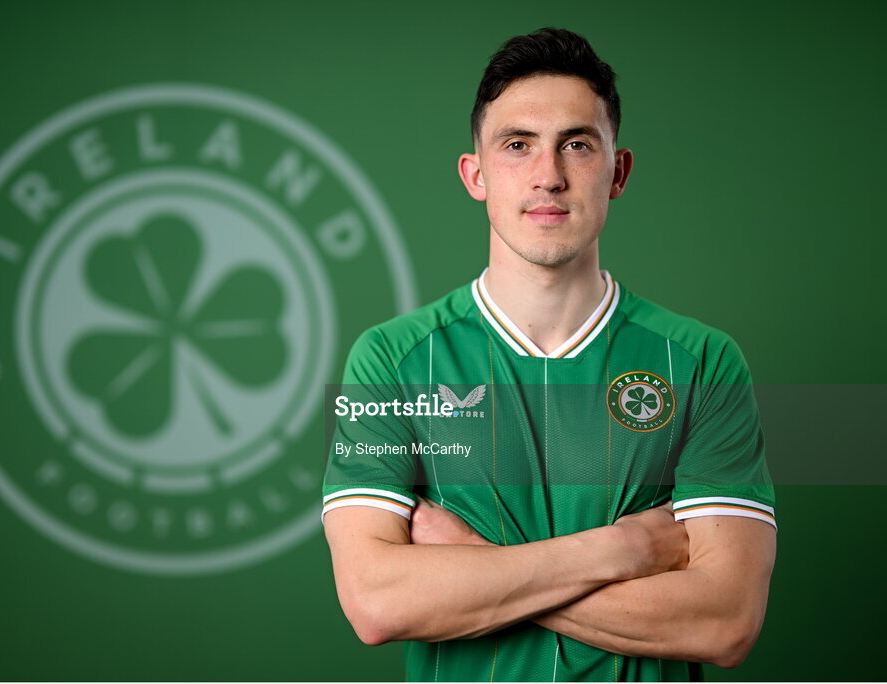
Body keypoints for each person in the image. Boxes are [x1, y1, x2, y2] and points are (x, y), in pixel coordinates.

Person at [321, 27, 776, 681]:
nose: (549, 176)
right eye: (518, 145)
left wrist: (476, 560)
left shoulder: (702, 361)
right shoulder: (393, 360)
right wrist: (618, 550)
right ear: (475, 175)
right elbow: (377, 603)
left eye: (578, 145)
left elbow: (724, 622)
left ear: (617, 172)